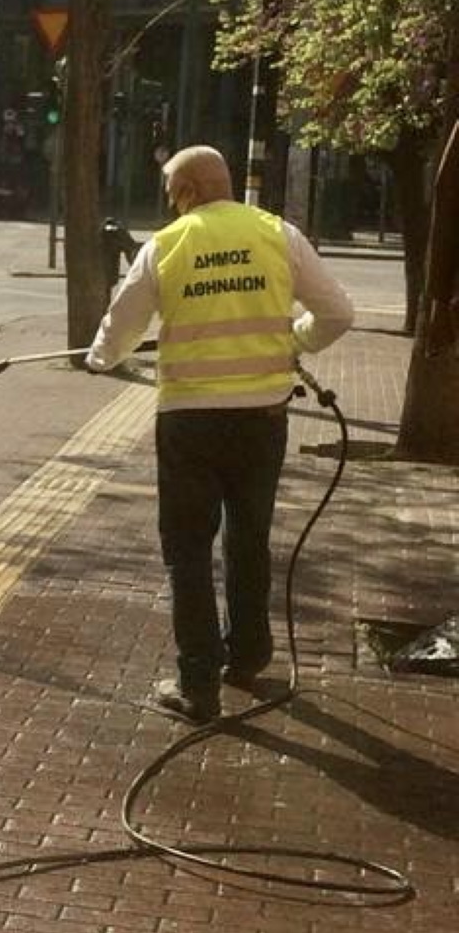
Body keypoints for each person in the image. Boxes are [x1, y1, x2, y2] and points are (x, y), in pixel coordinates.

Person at [86, 145, 354, 724]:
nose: (171, 204)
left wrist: (100, 357)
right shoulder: (278, 233)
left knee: (187, 550)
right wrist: (295, 342)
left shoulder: (168, 244)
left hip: (189, 421)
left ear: (188, 191)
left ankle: (197, 685)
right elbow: (337, 313)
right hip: (262, 418)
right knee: (248, 536)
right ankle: (249, 654)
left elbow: (123, 325)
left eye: (171, 193)